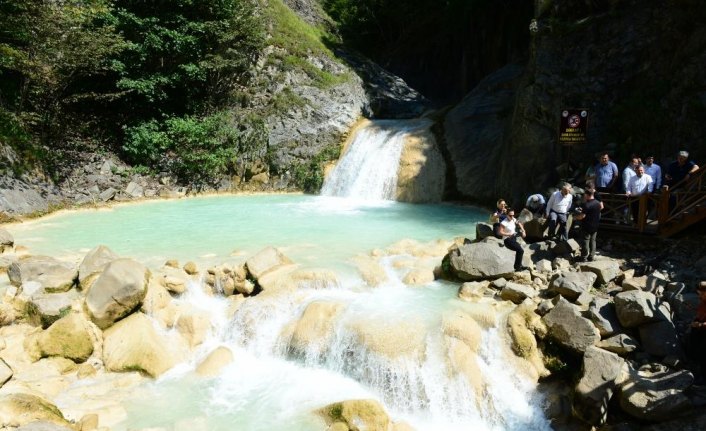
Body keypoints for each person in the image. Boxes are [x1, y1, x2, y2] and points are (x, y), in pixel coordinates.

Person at [574, 188, 603, 262]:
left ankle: (584, 257)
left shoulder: (586, 204)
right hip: (595, 225)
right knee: (593, 241)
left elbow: (582, 216)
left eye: (584, 195)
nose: (584, 196)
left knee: (585, 241)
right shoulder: (597, 203)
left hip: (587, 226)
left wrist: (575, 217)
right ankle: (591, 256)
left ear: (587, 195)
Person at [688, 281, 706, 384]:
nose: (701, 296)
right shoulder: (703, 300)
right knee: (694, 342)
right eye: (699, 293)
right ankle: (695, 364)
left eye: (703, 294)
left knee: (704, 351)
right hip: (701, 326)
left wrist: (701, 325)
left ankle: (703, 377)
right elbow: (701, 311)